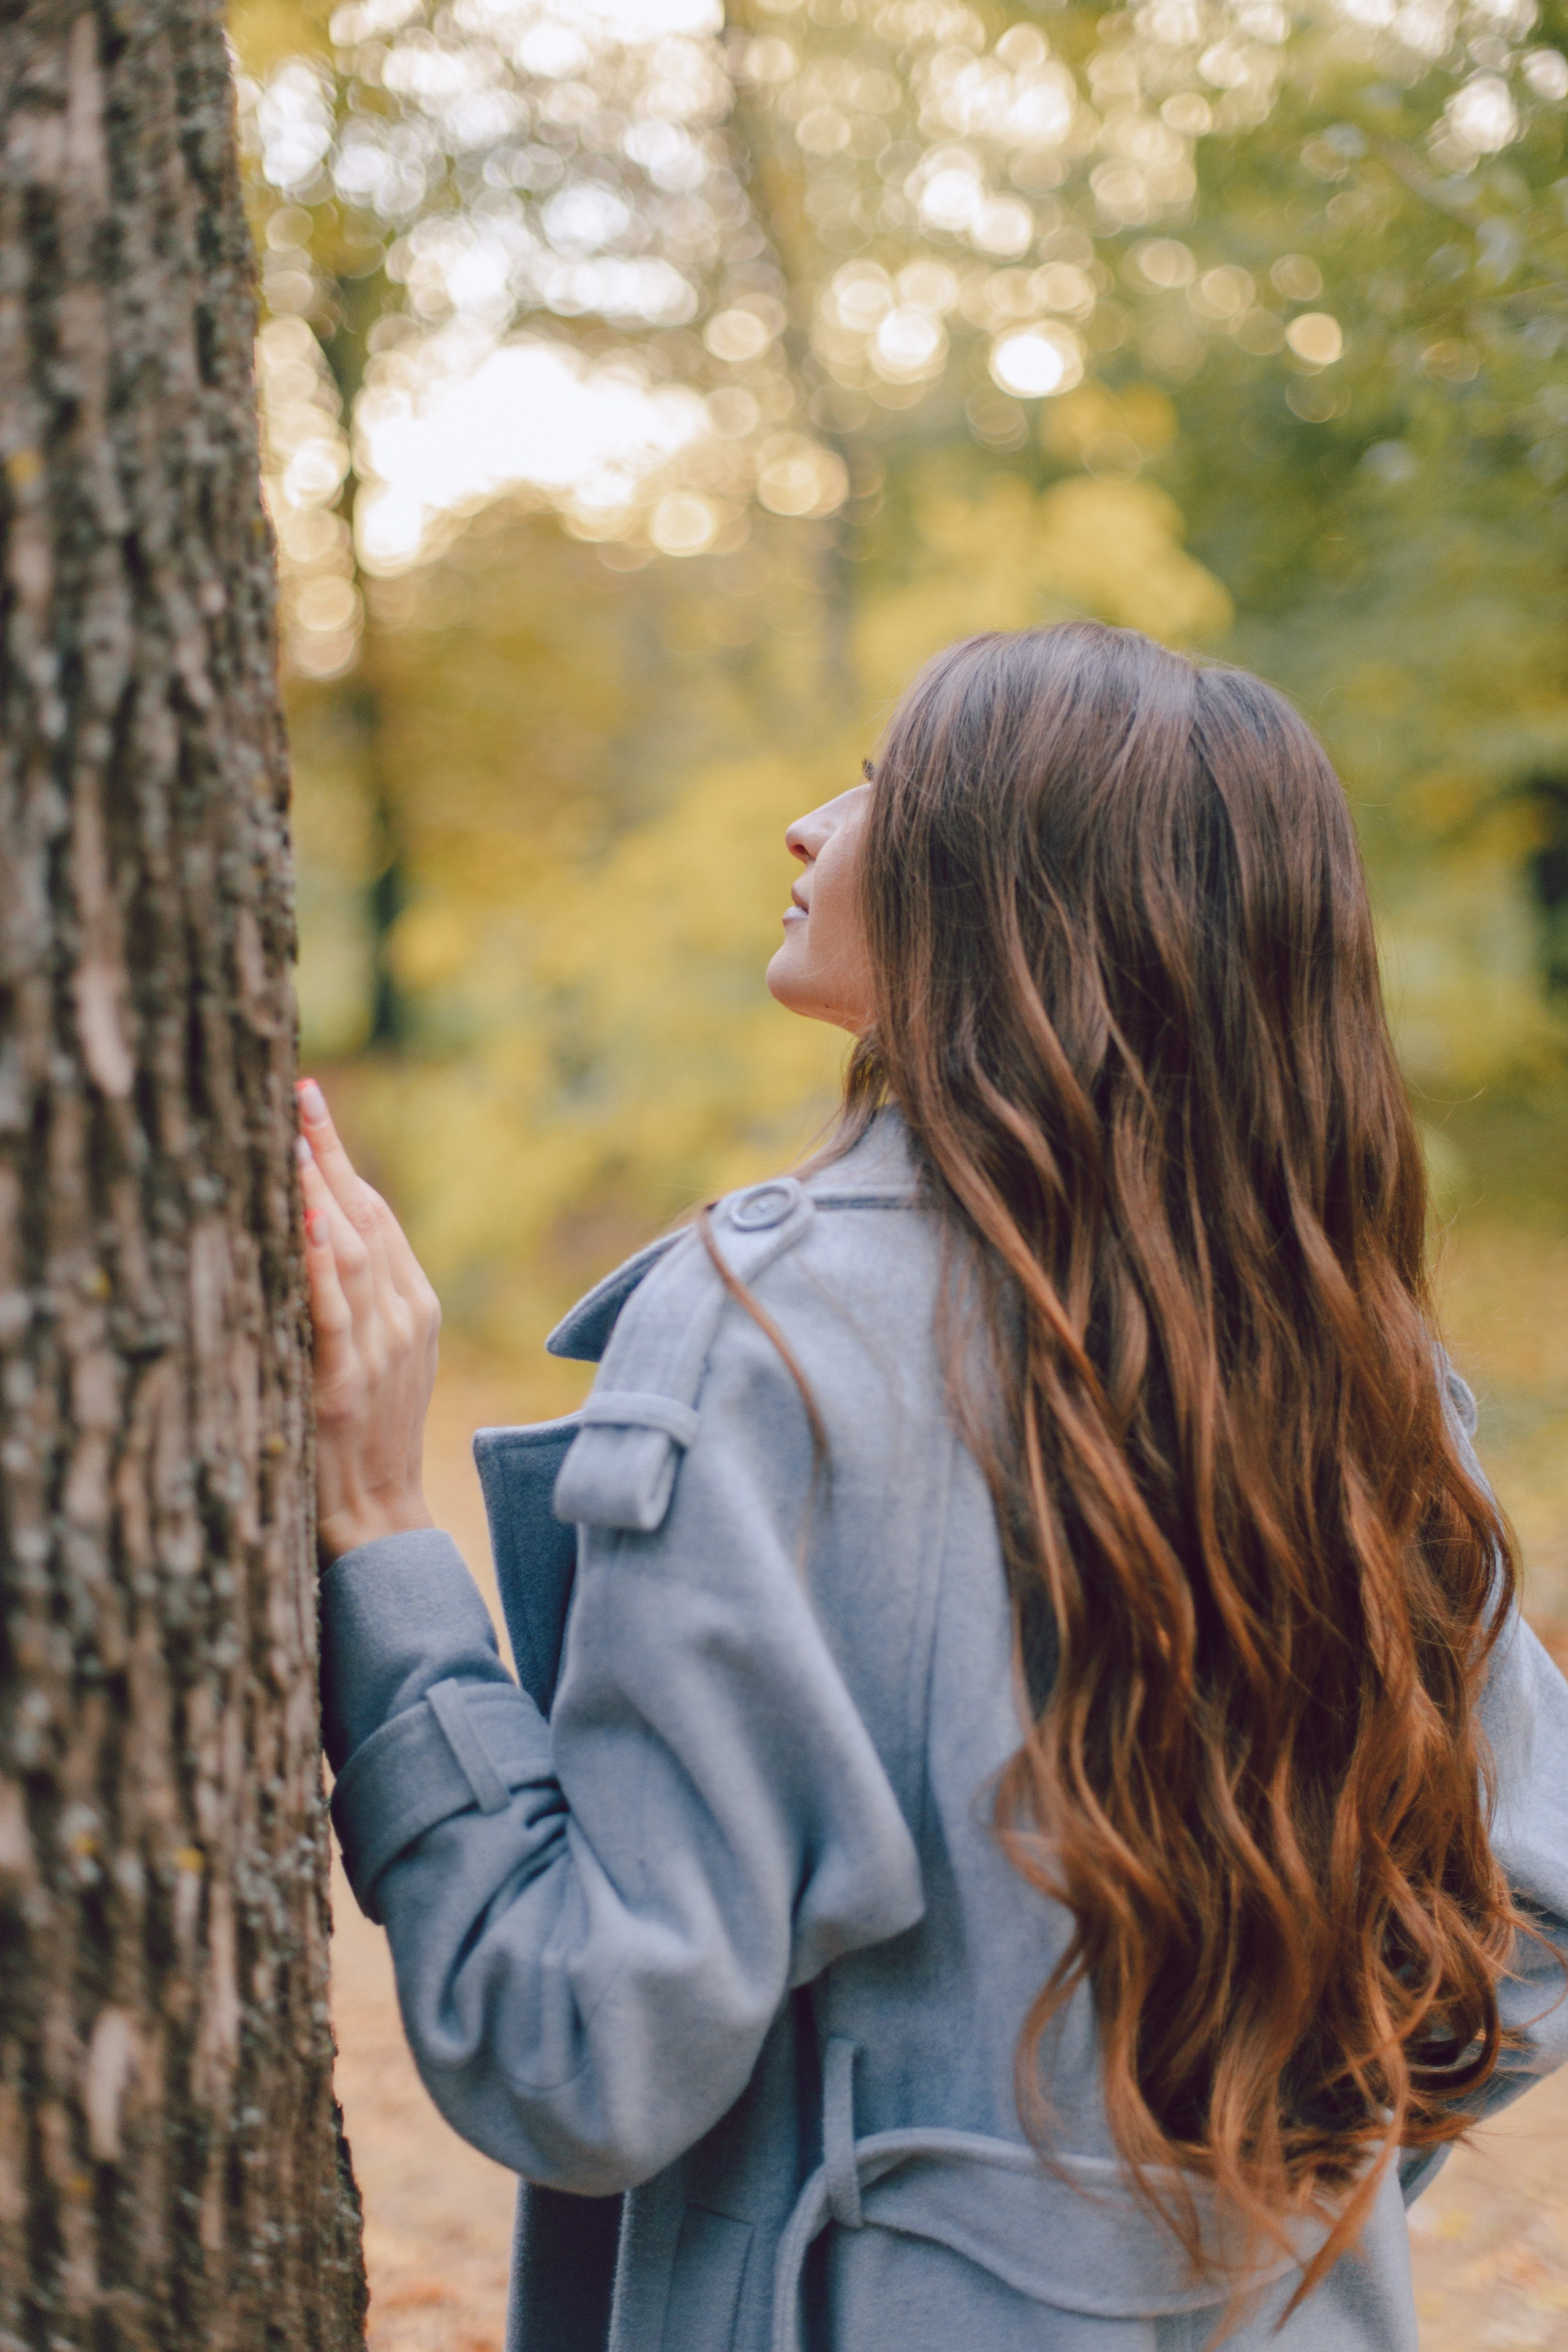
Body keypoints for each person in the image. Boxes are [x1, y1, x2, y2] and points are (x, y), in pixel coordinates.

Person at [298, 622, 1568, 2352]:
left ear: (1017, 888)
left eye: (888, 785)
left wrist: (379, 1538)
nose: (816, 825)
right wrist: (1225, 2203)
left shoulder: (767, 1323)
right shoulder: (1353, 1357)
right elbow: (1528, 1916)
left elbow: (577, 2046)